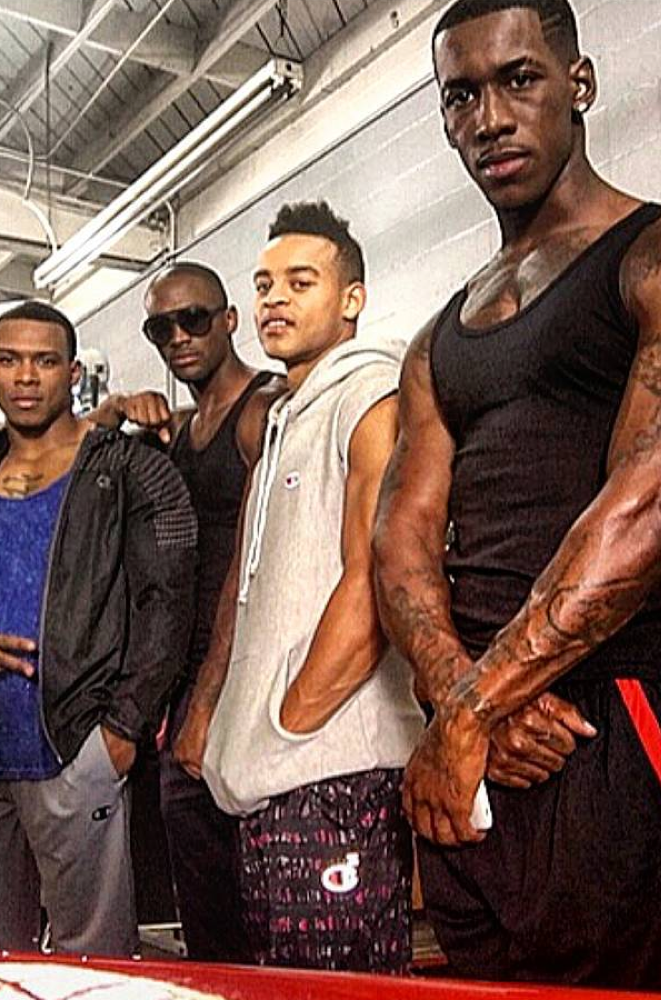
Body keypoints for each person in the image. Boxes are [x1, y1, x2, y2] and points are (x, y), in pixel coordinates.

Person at [373, 1, 661, 992]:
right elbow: (401, 539)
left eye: (519, 80)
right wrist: (463, 701)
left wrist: (474, 706)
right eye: (461, 96)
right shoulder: (437, 338)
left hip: (609, 716)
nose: (490, 117)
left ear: (578, 84)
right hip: (476, 741)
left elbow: (651, 508)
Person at [0, 300, 197, 957]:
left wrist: (122, 729)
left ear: (72, 373)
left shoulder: (127, 469)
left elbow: (169, 604)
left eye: (44, 361)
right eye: (9, 360)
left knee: (95, 966)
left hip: (73, 749)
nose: (26, 377)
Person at [189, 201, 425, 973]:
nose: (275, 300)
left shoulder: (369, 394)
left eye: (300, 282)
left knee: (338, 988)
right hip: (282, 780)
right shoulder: (287, 413)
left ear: (352, 298)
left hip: (331, 775)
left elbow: (376, 577)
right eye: (264, 285)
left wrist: (286, 727)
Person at [102, 262, 278, 962]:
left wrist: (211, 698)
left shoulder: (264, 407)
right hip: (184, 681)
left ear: (229, 320)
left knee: (262, 909)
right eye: (160, 328)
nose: (178, 336)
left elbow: (260, 561)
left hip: (246, 679)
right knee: (205, 912)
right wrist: (115, 408)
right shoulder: (178, 428)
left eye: (193, 319)